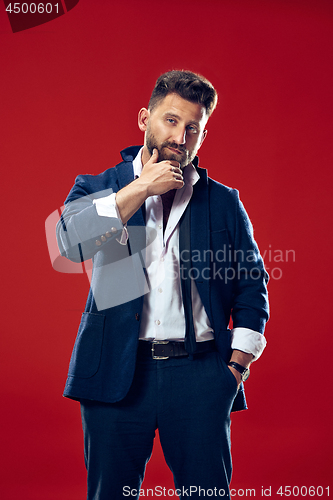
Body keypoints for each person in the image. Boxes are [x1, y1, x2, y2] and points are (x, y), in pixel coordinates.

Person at [56, 70, 269, 500]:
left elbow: (251, 283)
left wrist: (235, 369)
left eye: (194, 128)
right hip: (115, 375)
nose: (181, 136)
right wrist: (139, 189)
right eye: (171, 120)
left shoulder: (223, 201)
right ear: (144, 119)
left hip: (199, 375)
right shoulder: (101, 187)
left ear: (202, 137)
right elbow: (70, 244)